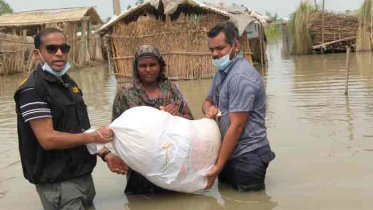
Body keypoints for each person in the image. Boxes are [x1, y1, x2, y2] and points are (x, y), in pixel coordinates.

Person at [14, 28, 128, 210]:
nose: (59, 53)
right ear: (37, 53)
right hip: (58, 184)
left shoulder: (69, 84)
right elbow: (48, 139)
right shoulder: (32, 90)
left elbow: (82, 130)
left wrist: (106, 155)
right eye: (51, 48)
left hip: (82, 177)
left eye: (64, 48)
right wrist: (94, 137)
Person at [202, 22, 275, 191]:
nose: (215, 54)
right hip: (228, 153)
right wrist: (209, 109)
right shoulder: (221, 73)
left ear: (236, 46)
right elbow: (206, 101)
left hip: (248, 155)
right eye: (211, 50)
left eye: (219, 48)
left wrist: (218, 165)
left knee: (249, 203)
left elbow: (237, 126)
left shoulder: (241, 76)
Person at [112, 45, 194, 195]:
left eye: (152, 65)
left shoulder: (172, 90)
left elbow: (191, 123)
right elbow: (116, 131)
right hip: (139, 167)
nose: (148, 69)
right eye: (143, 66)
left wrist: (177, 115)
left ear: (160, 66)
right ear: (136, 68)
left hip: (172, 163)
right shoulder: (125, 93)